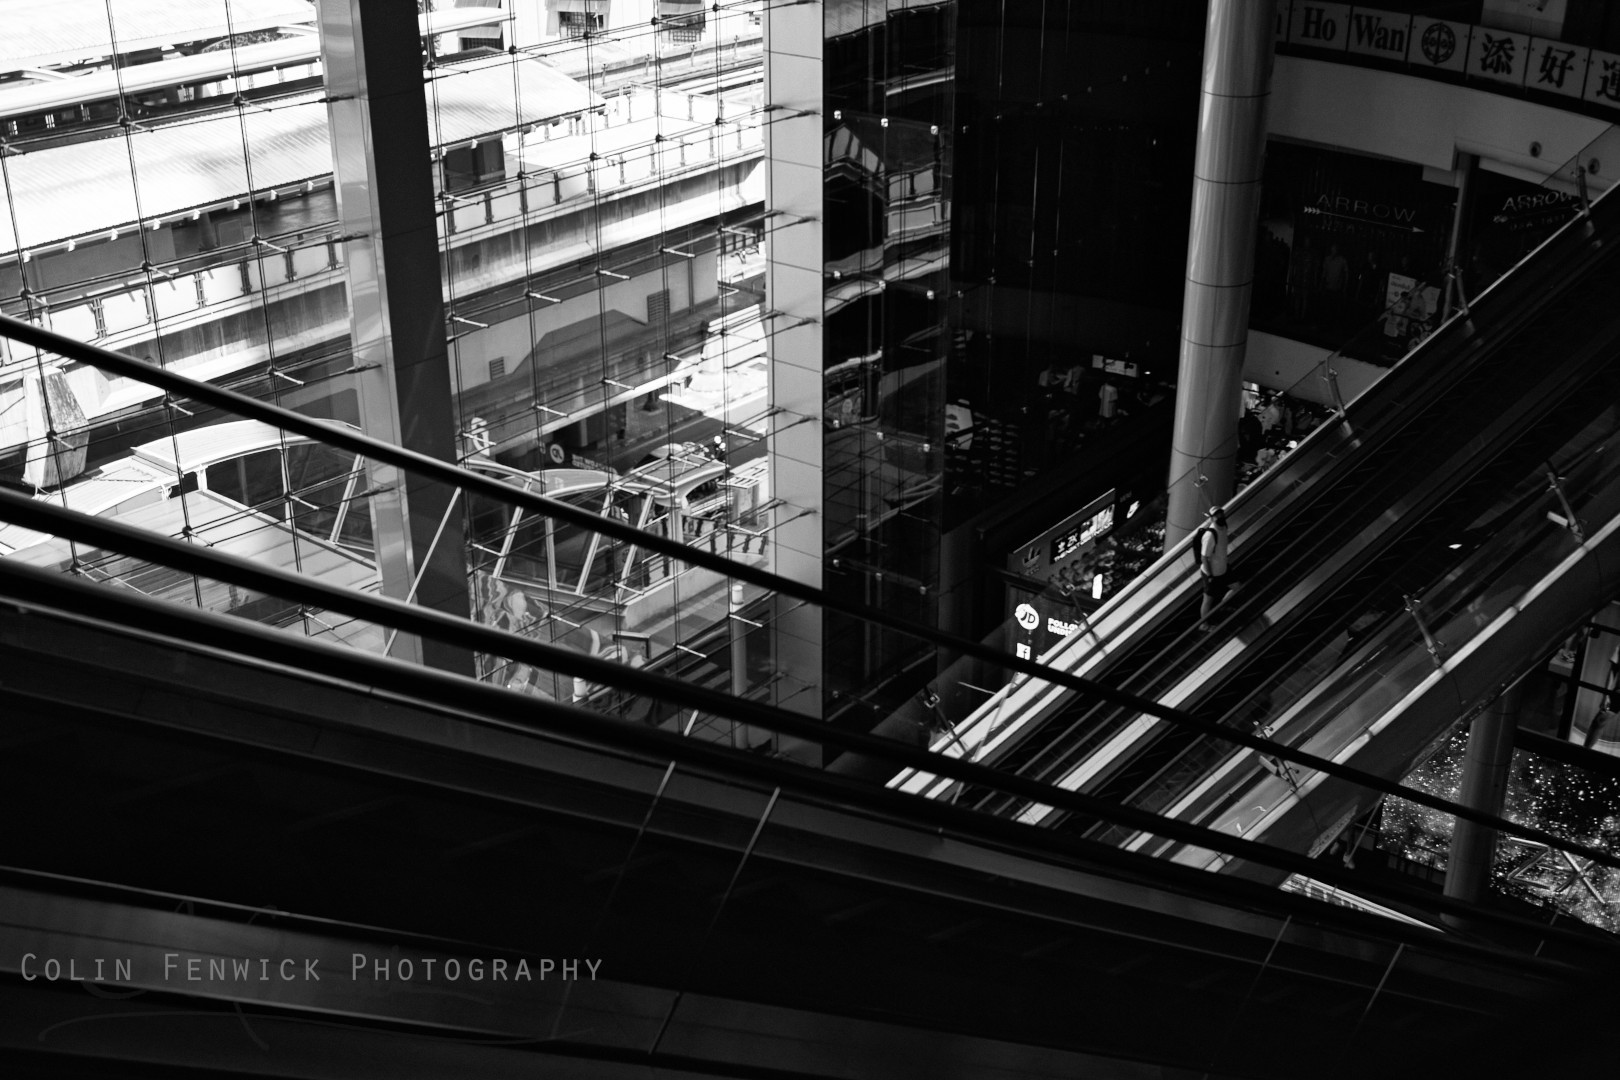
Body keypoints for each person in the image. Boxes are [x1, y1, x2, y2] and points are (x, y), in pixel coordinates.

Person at [1195, 506, 1230, 631]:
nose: (1219, 516)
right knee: (1208, 599)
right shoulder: (1210, 534)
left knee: (1237, 587)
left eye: (1221, 513)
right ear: (1211, 518)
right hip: (1212, 573)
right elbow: (1204, 557)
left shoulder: (1224, 527)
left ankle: (1222, 607)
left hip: (1223, 568)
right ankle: (1204, 625)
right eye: (1216, 515)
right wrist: (1210, 576)